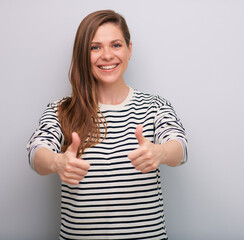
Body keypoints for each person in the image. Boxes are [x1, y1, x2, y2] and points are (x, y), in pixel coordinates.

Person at [27, 9, 187, 240]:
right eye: (95, 47)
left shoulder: (154, 105)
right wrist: (57, 162)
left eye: (116, 45)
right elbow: (35, 152)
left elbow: (180, 147)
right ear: (83, 54)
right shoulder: (62, 109)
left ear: (129, 49)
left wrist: (160, 152)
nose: (107, 55)